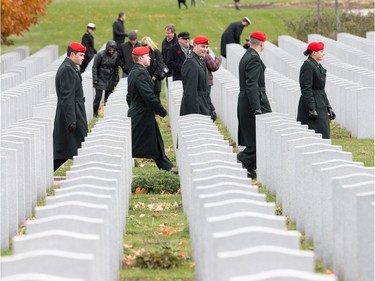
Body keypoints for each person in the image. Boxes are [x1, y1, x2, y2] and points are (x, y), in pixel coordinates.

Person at [126, 46, 175, 173]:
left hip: (141, 113)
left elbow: (129, 96)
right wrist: (162, 111)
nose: (150, 58)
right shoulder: (140, 73)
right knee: (132, 146)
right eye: (147, 56)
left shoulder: (135, 71)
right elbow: (148, 96)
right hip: (141, 115)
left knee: (154, 142)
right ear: (140, 58)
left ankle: (168, 168)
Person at [237, 32, 272, 184]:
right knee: (257, 142)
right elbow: (252, 84)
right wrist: (257, 108)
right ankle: (239, 162)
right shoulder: (253, 59)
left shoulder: (247, 55)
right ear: (262, 44)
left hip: (248, 102)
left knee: (255, 141)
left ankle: (249, 170)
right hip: (253, 103)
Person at [53, 42, 88, 171]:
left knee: (67, 150)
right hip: (72, 116)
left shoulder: (70, 67)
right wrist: (71, 120)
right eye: (81, 55)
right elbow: (67, 97)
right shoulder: (67, 69)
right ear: (72, 54)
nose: (83, 58)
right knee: (76, 148)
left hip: (74, 113)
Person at [297, 41, 335, 139]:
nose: (324, 53)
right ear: (314, 53)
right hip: (312, 104)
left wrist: (328, 107)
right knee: (316, 133)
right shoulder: (308, 66)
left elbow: (321, 89)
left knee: (324, 132)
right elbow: (306, 88)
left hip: (320, 102)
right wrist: (311, 108)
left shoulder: (317, 66)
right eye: (321, 51)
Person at [180, 35, 215, 120]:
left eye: (207, 47)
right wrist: (195, 115)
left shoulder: (200, 60)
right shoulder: (191, 63)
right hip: (196, 109)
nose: (205, 50)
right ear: (195, 46)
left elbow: (205, 89)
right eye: (202, 46)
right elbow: (190, 92)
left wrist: (211, 108)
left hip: (203, 106)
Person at [92, 41, 119, 117]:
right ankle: (95, 113)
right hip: (100, 78)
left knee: (107, 98)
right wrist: (95, 79)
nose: (112, 51)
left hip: (110, 78)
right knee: (98, 98)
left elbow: (116, 68)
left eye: (113, 50)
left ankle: (107, 114)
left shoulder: (116, 56)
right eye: (110, 50)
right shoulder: (100, 54)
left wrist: (116, 80)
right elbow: (95, 67)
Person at [140, 36, 168, 102]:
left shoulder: (156, 52)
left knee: (156, 99)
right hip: (146, 80)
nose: (144, 47)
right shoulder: (143, 54)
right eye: (143, 45)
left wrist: (155, 75)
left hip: (155, 80)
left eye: (145, 45)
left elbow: (161, 65)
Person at [204, 49, 222, 121]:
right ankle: (211, 115)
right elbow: (214, 67)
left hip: (204, 81)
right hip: (207, 81)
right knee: (207, 99)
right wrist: (218, 60)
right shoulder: (206, 56)